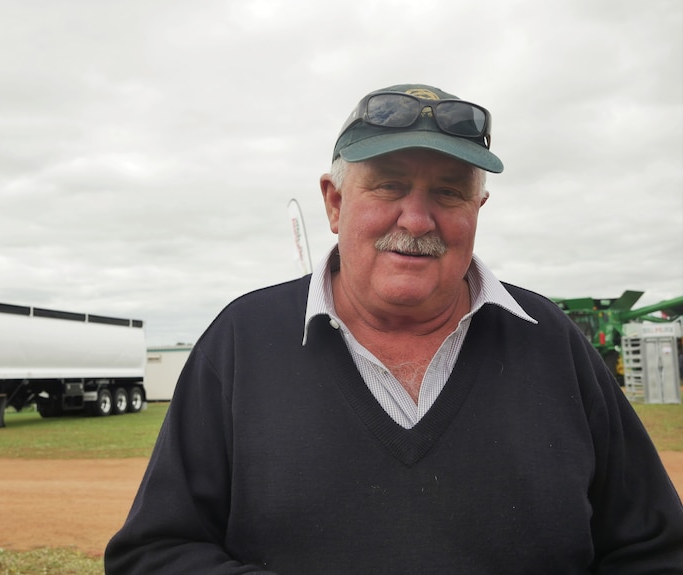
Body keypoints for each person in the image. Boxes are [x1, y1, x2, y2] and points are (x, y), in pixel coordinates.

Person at [104, 84, 683, 573]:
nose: (416, 218)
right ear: (334, 204)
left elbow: (655, 548)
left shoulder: (552, 340)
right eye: (388, 185)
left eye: (449, 191)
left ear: (478, 209)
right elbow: (152, 552)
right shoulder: (240, 341)